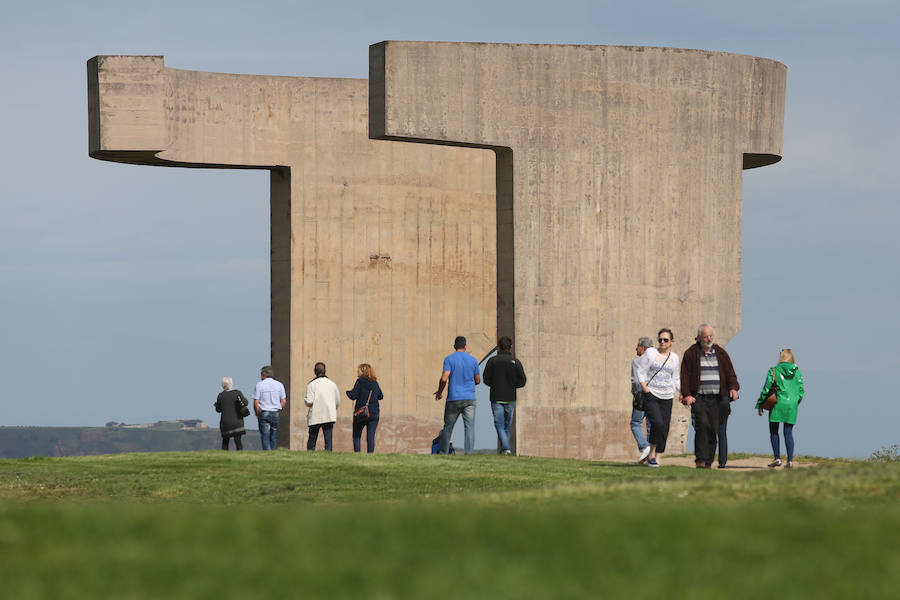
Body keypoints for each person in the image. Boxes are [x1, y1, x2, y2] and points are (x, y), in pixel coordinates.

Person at [679, 324, 740, 469]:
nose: (709, 339)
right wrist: (687, 394)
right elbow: (684, 376)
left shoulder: (721, 353)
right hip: (699, 397)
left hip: (717, 398)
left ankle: (708, 461)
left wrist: (733, 388)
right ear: (699, 337)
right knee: (702, 426)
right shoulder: (691, 353)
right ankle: (700, 459)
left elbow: (730, 373)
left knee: (713, 429)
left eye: (711, 336)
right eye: (706, 336)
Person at [756, 348, 805, 468]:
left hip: (777, 403)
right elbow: (801, 391)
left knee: (774, 431)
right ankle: (790, 461)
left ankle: (777, 458)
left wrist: (760, 403)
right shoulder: (797, 372)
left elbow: (767, 388)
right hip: (792, 404)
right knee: (788, 432)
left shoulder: (773, 371)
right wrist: (795, 402)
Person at [639, 328, 680, 467]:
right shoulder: (651, 353)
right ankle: (651, 453)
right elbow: (641, 371)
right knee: (657, 423)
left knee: (664, 428)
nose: (662, 342)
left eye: (666, 340)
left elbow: (675, 378)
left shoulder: (674, 357)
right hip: (652, 394)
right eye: (660, 339)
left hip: (667, 396)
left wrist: (684, 393)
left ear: (671, 342)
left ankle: (657, 457)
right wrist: (646, 389)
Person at [434, 336, 481, 455]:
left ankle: (443, 452)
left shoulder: (449, 359)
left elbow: (444, 378)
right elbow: (478, 380)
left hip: (454, 398)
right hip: (469, 398)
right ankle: (469, 453)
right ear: (465, 346)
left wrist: (440, 392)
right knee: (469, 427)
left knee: (448, 427)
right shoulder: (473, 360)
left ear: (454, 346)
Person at [482, 336, 527, 455]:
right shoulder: (515, 362)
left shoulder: (492, 361)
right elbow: (522, 381)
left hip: (496, 397)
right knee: (507, 425)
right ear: (510, 347)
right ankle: (505, 449)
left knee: (499, 425)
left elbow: (486, 379)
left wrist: (495, 384)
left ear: (499, 346)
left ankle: (505, 448)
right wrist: (512, 385)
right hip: (510, 398)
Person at [346, 363, 384, 453]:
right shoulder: (375, 383)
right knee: (370, 436)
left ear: (363, 371)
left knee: (357, 435)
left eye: (358, 370)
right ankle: (370, 454)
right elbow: (381, 396)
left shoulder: (359, 382)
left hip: (362, 412)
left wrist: (348, 392)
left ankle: (357, 453)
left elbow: (353, 396)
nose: (357, 372)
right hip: (374, 413)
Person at [305, 362, 341, 451]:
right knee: (328, 439)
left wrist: (305, 400)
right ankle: (328, 454)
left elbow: (309, 401)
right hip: (329, 414)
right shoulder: (332, 384)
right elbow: (337, 401)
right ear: (325, 371)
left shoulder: (312, 384)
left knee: (312, 438)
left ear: (315, 372)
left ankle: (310, 453)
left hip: (315, 415)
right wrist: (333, 408)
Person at [630, 336, 654, 464]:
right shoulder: (656, 360)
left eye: (637, 346)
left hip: (641, 395)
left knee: (635, 423)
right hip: (654, 395)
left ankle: (644, 447)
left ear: (642, 347)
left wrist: (635, 394)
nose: (636, 348)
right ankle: (652, 457)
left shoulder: (637, 362)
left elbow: (635, 381)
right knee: (650, 425)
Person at [253, 365, 286, 451]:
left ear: (264, 374)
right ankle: (273, 452)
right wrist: (279, 409)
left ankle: (267, 453)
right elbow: (283, 401)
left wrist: (257, 413)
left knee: (265, 436)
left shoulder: (259, 385)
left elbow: (256, 401)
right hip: (275, 412)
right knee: (274, 437)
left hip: (264, 412)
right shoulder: (279, 385)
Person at [214, 377, 249, 450]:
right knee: (238, 442)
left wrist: (216, 405)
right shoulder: (237, 393)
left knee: (225, 442)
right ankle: (240, 457)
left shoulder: (221, 395)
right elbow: (245, 403)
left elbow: (218, 410)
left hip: (225, 422)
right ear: (231, 383)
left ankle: (224, 457)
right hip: (237, 421)